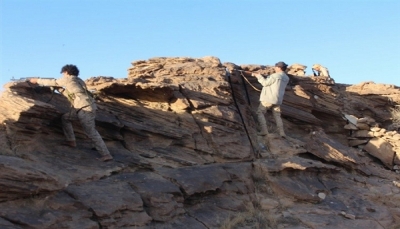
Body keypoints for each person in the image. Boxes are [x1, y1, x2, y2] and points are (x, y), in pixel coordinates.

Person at [29, 64, 113, 161]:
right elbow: (73, 94)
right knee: (65, 118)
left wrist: (37, 80)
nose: (63, 76)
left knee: (91, 131)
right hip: (80, 107)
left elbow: (54, 81)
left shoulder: (69, 79)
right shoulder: (78, 81)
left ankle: (106, 154)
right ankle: (71, 141)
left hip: (84, 107)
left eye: (63, 74)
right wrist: (59, 89)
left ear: (66, 72)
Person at [252, 61, 290, 137]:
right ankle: (281, 133)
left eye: (276, 66)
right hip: (278, 99)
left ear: (279, 67)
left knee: (260, 112)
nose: (274, 68)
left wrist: (258, 76)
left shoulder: (274, 76)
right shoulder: (286, 78)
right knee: (277, 115)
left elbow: (265, 83)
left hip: (268, 98)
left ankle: (264, 131)